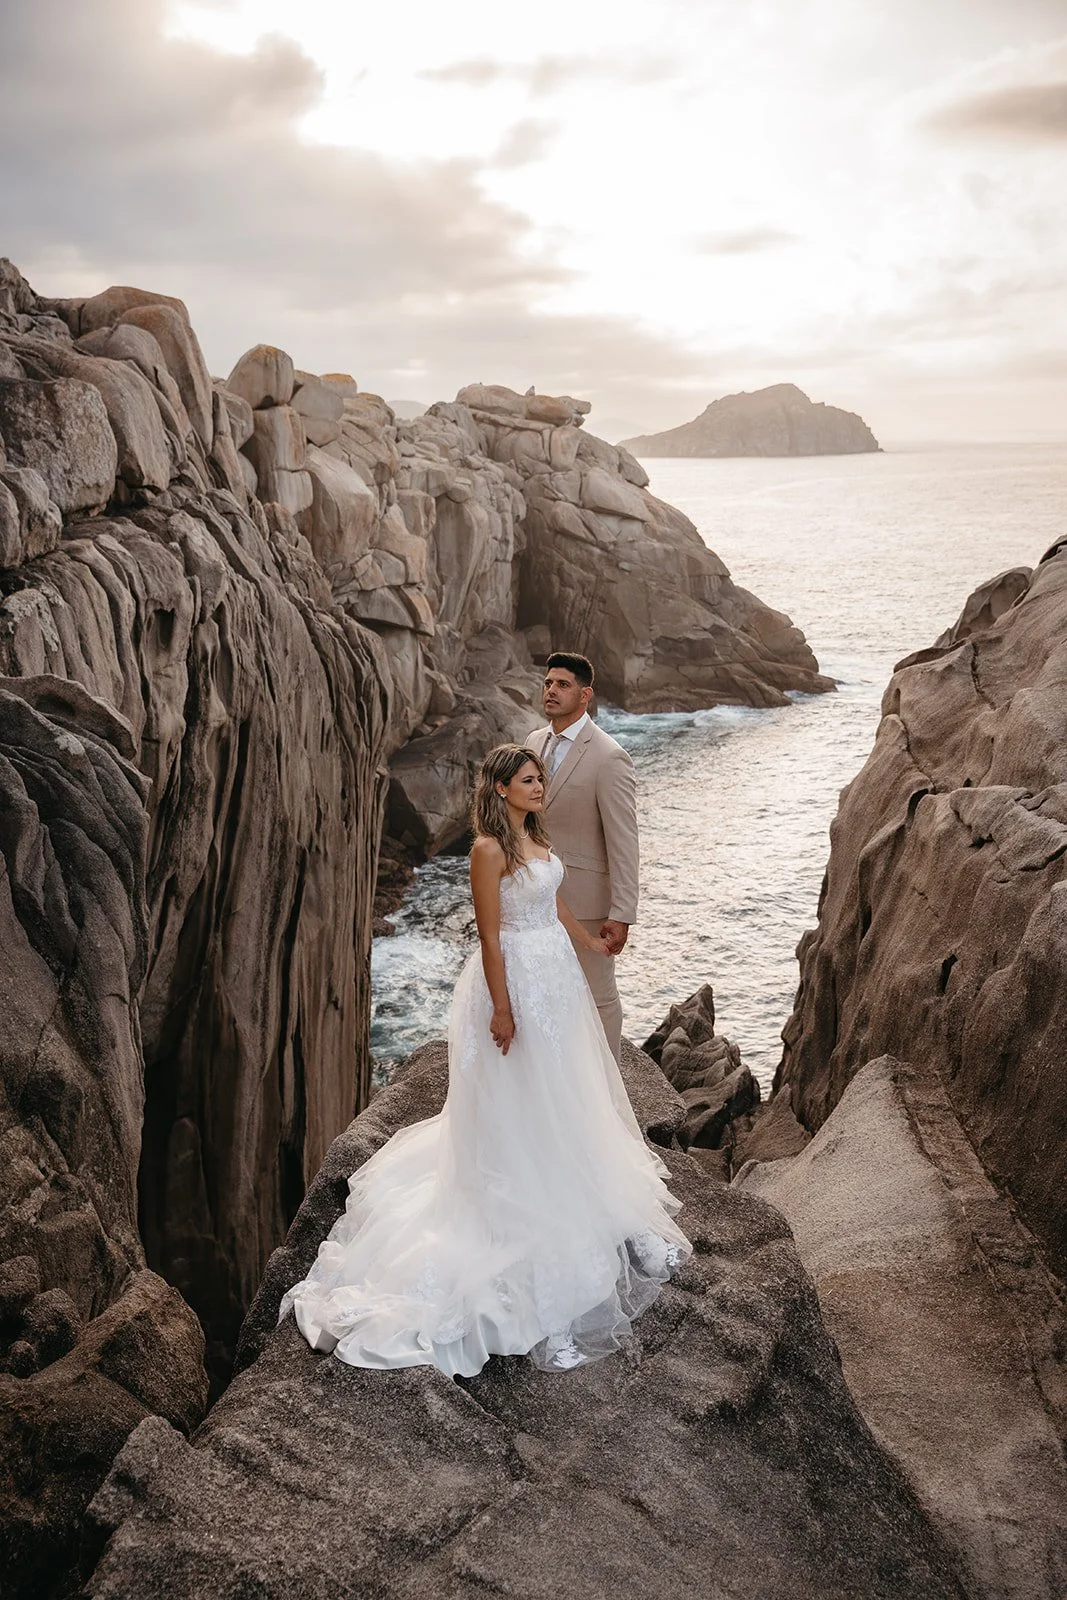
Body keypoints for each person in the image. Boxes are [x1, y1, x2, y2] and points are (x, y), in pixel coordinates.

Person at [279, 743, 690, 1379]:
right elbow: (492, 934)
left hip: (555, 977)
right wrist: (502, 1008)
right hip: (517, 981)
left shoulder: (536, 837)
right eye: (528, 781)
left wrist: (591, 939)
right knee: (521, 1101)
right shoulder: (486, 851)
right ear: (500, 789)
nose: (538, 789)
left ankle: (584, 1196)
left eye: (539, 780)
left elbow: (551, 904)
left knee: (566, 1094)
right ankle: (525, 1227)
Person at [528, 652, 638, 1062]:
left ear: (585, 695)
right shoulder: (533, 743)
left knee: (598, 999)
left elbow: (624, 842)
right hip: (536, 896)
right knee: (543, 990)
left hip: (588, 903)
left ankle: (606, 1087)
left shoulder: (609, 757)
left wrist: (622, 912)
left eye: (563, 684)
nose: (551, 690)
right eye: (548, 683)